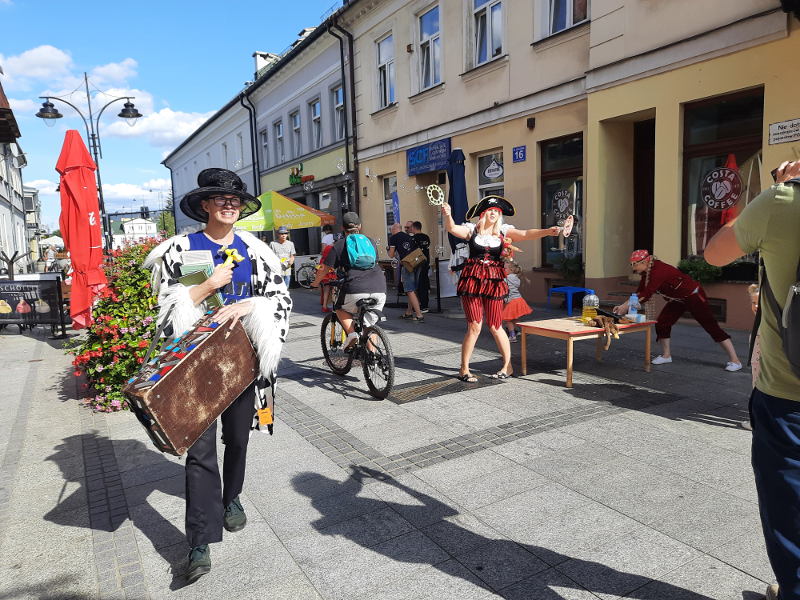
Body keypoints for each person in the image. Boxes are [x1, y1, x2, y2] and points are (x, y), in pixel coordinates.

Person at [142, 168, 291, 583]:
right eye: (219, 199)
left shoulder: (255, 249)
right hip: (198, 363)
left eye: (235, 200)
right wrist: (208, 286)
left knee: (239, 437)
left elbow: (278, 297)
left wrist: (248, 307)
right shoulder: (186, 250)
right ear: (205, 205)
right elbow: (170, 310)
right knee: (200, 450)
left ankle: (232, 498)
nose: (229, 205)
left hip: (244, 358)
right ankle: (199, 543)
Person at [705, 160, 800, 600]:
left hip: (789, 393)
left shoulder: (785, 200)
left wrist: (781, 187)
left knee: (789, 509)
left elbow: (714, 254)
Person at [442, 196, 559, 380]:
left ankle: (507, 366)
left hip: (495, 281)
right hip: (473, 280)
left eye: (497, 211)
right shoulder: (472, 230)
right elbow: (452, 228)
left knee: (496, 326)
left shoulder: (504, 232)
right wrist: (448, 215)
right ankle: (464, 369)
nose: (494, 213)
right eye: (491, 210)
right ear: (483, 213)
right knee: (475, 326)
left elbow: (527, 233)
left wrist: (547, 231)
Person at [613, 250, 741, 371]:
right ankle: (666, 356)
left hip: (693, 295)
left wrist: (626, 307)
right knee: (663, 322)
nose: (633, 268)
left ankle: (735, 361)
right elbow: (639, 292)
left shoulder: (658, 271)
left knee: (710, 325)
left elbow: (647, 293)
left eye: (635, 265)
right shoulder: (646, 272)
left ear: (644, 262)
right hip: (678, 299)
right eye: (632, 265)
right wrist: (623, 305)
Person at [311, 212, 386, 351]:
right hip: (379, 287)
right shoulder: (370, 242)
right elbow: (375, 262)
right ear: (360, 226)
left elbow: (323, 268)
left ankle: (352, 335)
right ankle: (374, 358)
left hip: (354, 287)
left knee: (339, 307)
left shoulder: (339, 245)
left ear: (342, 227)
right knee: (369, 323)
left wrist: (315, 283)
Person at [388, 222, 423, 323]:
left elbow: (391, 254)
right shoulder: (408, 236)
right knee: (413, 288)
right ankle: (409, 312)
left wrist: (390, 252)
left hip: (407, 264)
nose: (391, 232)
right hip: (417, 262)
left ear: (394, 230)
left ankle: (419, 315)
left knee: (409, 289)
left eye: (391, 230)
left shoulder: (393, 238)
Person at [502, 260, 532, 343]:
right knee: (512, 318)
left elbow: (499, 282)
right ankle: (524, 330)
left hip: (512, 301)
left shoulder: (507, 278)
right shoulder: (516, 278)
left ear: (511, 270)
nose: (503, 270)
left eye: (505, 268)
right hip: (518, 299)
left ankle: (513, 336)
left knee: (507, 319)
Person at [411, 221, 431, 313]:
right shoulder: (426, 237)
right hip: (426, 263)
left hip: (418, 264)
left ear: (414, 228)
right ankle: (425, 304)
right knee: (425, 283)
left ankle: (423, 306)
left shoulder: (413, 239)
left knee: (420, 285)